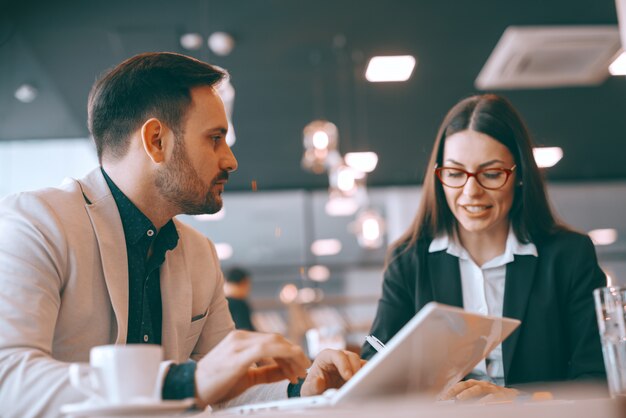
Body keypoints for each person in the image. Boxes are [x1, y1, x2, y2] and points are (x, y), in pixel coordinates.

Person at [0, 52, 362, 418]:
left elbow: (225, 390)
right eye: (215, 138)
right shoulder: (35, 223)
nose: (231, 160)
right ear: (156, 140)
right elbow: (7, 379)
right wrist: (181, 383)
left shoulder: (200, 253)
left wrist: (302, 391)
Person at [361, 94, 606, 402]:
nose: (471, 192)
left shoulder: (568, 255)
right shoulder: (410, 260)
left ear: (520, 176)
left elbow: (599, 378)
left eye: (491, 174)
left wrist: (521, 402)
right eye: (454, 173)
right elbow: (374, 368)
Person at [224, 267, 256, 331]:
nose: (248, 290)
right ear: (243, 282)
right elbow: (245, 330)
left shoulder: (219, 303)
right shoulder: (239, 304)